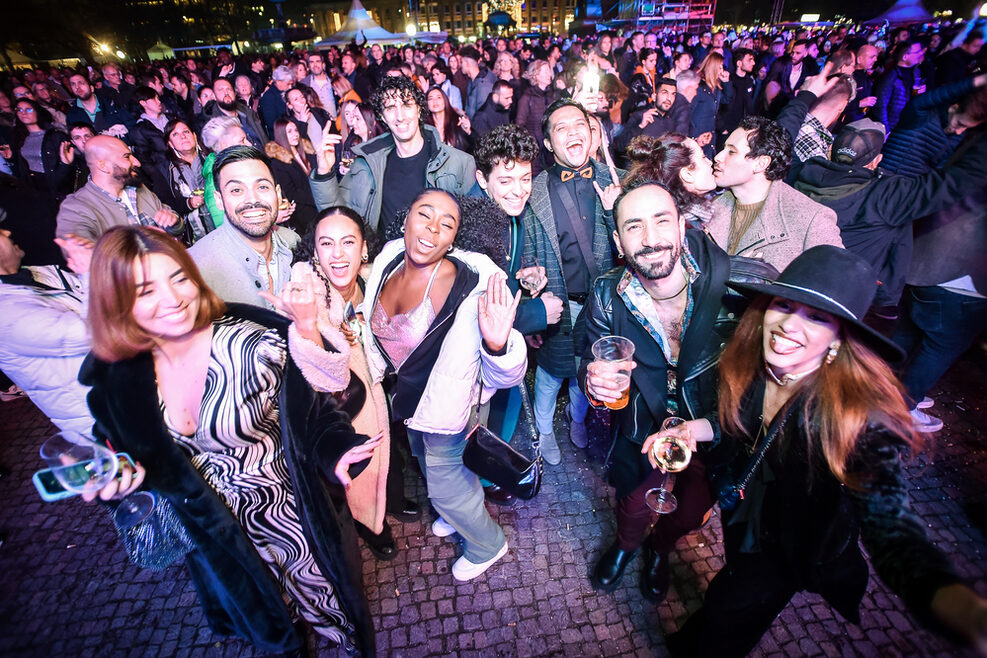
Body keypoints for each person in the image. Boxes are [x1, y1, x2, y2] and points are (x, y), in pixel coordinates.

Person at [666, 245, 987, 657]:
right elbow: (735, 423)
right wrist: (693, 429)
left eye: (817, 317)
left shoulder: (857, 418)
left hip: (789, 548)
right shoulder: (752, 365)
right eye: (784, 305)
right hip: (744, 512)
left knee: (732, 612)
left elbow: (892, 526)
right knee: (729, 592)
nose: (788, 326)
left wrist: (949, 600)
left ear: (838, 339)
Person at [80, 225, 378, 655]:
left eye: (179, 277)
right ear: (117, 304)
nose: (173, 298)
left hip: (293, 521)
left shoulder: (248, 343)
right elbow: (119, 454)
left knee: (333, 612)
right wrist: (118, 485)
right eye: (146, 290)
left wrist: (334, 450)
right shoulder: (116, 384)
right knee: (273, 623)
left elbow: (319, 408)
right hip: (221, 544)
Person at [580, 181, 736, 600]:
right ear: (617, 241)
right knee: (632, 501)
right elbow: (588, 362)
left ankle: (660, 548)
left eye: (661, 220)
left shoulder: (733, 291)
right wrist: (593, 382)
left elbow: (756, 391)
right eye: (633, 226)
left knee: (688, 512)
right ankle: (627, 545)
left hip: (709, 430)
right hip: (639, 428)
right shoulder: (605, 294)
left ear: (682, 226)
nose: (650, 240)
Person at [363, 189, 527, 581]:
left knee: (444, 487)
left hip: (451, 409)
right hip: (410, 404)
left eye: (447, 224)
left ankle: (488, 544)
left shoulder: (472, 288)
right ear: (405, 220)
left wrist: (498, 343)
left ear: (453, 238)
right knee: (432, 465)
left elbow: (509, 370)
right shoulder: (387, 263)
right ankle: (458, 513)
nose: (433, 229)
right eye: (425, 215)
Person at [795, 118, 987, 344]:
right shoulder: (887, 195)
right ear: (877, 161)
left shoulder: (802, 172)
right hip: (840, 299)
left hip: (795, 281)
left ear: (830, 150)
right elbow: (955, 183)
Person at [521, 99, 623, 464]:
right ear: (549, 144)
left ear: (591, 132)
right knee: (550, 374)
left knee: (588, 371)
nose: (572, 132)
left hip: (602, 305)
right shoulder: (533, 189)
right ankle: (544, 429)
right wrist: (532, 302)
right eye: (560, 128)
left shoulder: (615, 179)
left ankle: (576, 419)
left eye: (578, 124)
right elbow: (529, 250)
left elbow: (629, 250)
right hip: (559, 302)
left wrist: (614, 212)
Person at [471, 124, 564, 505]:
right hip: (477, 361)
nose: (519, 190)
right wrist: (537, 313)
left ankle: (489, 476)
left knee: (501, 417)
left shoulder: (512, 216)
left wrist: (524, 278)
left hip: (506, 347)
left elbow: (503, 279)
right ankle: (471, 492)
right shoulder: (475, 230)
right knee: (478, 425)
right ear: (482, 178)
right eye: (505, 180)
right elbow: (470, 314)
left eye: (525, 178)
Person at [309, 75, 476, 235]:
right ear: (382, 116)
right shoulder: (366, 165)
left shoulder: (459, 162)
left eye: (406, 105)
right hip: (385, 261)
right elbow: (338, 221)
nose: (400, 117)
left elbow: (472, 231)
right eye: (390, 108)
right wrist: (324, 174)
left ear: (418, 110)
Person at [706, 116, 842, 270]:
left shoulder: (810, 218)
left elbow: (835, 278)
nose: (717, 157)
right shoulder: (712, 207)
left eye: (731, 151)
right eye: (724, 148)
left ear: (760, 163)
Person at [0, 228, 94, 436]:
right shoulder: (6, 316)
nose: (7, 232)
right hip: (103, 418)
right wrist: (88, 272)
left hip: (125, 391)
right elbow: (90, 334)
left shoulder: (36, 274)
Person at [55, 135, 183, 243]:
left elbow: (176, 227)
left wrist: (174, 221)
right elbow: (86, 257)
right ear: (103, 165)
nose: (137, 163)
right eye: (126, 157)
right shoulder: (75, 208)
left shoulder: (139, 188)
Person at [623, 133, 717, 228]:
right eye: (703, 157)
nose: (710, 162)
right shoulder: (683, 228)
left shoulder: (664, 212)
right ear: (687, 174)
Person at [157, 119, 213, 244]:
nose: (183, 136)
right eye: (175, 134)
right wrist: (189, 203)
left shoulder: (212, 157)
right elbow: (166, 204)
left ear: (194, 135)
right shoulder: (165, 170)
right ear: (170, 144)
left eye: (186, 132)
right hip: (194, 234)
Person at [614, 78, 689, 166]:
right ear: (654, 96)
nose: (669, 98)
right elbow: (620, 146)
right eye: (665, 93)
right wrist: (640, 126)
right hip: (634, 174)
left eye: (673, 94)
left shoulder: (671, 123)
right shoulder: (640, 116)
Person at [265, 118, 318, 233]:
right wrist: (317, 196)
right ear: (281, 135)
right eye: (289, 132)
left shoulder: (307, 151)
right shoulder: (278, 162)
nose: (295, 134)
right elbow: (291, 192)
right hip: (303, 213)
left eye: (296, 130)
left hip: (318, 204)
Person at [872, 39, 926, 133]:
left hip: (906, 124)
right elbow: (880, 106)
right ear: (905, 57)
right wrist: (886, 130)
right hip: (892, 127)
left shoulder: (916, 72)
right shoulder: (890, 77)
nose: (921, 53)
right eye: (917, 52)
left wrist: (918, 94)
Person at [201, 77, 267, 149]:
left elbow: (263, 138)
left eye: (229, 89)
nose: (226, 93)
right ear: (214, 95)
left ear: (234, 93)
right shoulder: (214, 126)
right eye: (221, 90)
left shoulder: (248, 112)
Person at [691, 53, 732, 158]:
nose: (722, 70)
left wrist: (726, 82)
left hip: (710, 136)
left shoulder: (716, 89)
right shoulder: (699, 88)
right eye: (720, 67)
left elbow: (727, 99)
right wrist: (694, 135)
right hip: (698, 136)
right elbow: (688, 113)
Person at [516, 59, 556, 148]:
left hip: (550, 145)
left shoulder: (551, 95)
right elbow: (520, 125)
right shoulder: (527, 98)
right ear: (536, 75)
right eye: (545, 72)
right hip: (535, 146)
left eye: (549, 71)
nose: (549, 74)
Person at [425, 87, 472, 152]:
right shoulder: (425, 127)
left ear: (445, 100)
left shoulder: (457, 121)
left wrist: (468, 132)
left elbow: (471, 147)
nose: (435, 101)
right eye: (430, 98)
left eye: (438, 97)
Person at [286, 85, 331, 150]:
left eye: (302, 97)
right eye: (296, 99)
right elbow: (298, 146)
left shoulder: (319, 112)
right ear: (290, 105)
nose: (301, 101)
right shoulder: (289, 124)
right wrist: (302, 123)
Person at [301, 51, 339, 118]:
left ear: (323, 65)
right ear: (309, 66)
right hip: (314, 125)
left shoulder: (334, 82)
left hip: (334, 123)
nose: (315, 65)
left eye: (318, 61)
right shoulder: (304, 84)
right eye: (312, 62)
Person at [259, 65, 293, 136]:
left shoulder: (287, 91)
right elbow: (272, 123)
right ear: (278, 82)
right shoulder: (268, 97)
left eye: (291, 84)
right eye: (288, 84)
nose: (290, 87)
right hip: (279, 135)